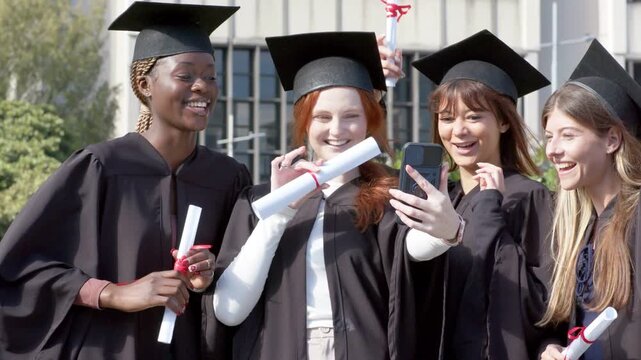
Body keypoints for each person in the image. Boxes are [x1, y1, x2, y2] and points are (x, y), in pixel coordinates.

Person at [0, 2, 251, 359]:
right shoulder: (101, 167)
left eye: (211, 76)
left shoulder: (228, 178)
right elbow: (19, 270)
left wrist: (212, 276)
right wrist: (113, 294)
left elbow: (251, 281)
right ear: (143, 84)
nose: (202, 87)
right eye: (185, 75)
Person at [212, 31, 462, 360]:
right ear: (303, 121)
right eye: (322, 117)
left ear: (370, 122)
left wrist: (445, 230)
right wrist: (281, 211)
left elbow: (413, 251)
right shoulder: (259, 201)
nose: (336, 130)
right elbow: (229, 310)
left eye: (351, 117)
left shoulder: (387, 196)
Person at [408, 29, 559, 359]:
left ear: (504, 122)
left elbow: (546, 301)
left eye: (474, 116)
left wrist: (491, 220)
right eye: (447, 118)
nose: (458, 130)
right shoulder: (439, 199)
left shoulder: (530, 197)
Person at [539, 40, 641, 360]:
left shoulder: (637, 219)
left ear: (611, 139)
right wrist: (555, 350)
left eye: (568, 135)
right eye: (549, 137)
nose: (553, 150)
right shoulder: (584, 228)